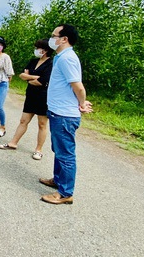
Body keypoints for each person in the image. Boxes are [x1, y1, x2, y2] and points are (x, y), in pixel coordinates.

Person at [39, 24, 93, 205]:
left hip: (64, 115)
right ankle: (58, 180)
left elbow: (77, 86)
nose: (51, 39)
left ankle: (65, 193)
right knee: (58, 150)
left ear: (64, 39)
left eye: (54, 35)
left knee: (65, 154)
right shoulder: (60, 57)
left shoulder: (67, 58)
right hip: (56, 111)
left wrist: (82, 103)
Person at [0, 39, 53, 160]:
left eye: (38, 48)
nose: (36, 50)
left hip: (44, 97)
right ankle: (13, 143)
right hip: (31, 95)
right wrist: (33, 77)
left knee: (42, 124)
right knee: (23, 120)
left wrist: (31, 78)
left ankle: (38, 150)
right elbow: (22, 75)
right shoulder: (33, 61)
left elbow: (42, 82)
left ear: (45, 50)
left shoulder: (51, 63)